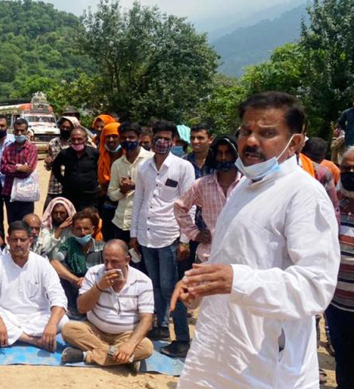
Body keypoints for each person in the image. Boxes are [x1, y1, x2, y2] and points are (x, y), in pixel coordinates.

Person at [174, 92, 340, 388]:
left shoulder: (303, 194)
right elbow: (232, 258)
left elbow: (316, 286)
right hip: (219, 352)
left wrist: (237, 281)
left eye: (267, 133)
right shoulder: (244, 187)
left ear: (296, 143)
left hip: (267, 363)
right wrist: (201, 283)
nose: (251, 141)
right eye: (246, 131)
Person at [129, 120, 195, 358]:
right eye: (159, 137)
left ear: (174, 141)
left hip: (169, 236)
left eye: (167, 138)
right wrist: (134, 234)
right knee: (154, 286)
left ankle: (183, 339)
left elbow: (189, 205)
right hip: (146, 236)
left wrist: (185, 239)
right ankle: (161, 327)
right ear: (152, 137)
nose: (162, 142)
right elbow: (139, 201)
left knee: (170, 288)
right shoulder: (145, 167)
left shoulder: (182, 167)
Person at [60, 240, 154, 373]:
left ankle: (86, 356)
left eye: (114, 262)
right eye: (106, 261)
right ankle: (123, 358)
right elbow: (81, 308)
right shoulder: (94, 273)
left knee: (146, 347)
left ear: (127, 260)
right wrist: (99, 287)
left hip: (125, 335)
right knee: (69, 329)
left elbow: (146, 319)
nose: (109, 266)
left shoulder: (143, 281)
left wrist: (130, 345)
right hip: (95, 330)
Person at [0, 221, 68, 351]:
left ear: (30, 240)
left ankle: (13, 336)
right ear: (8, 240)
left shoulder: (42, 264)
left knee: (63, 321)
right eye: (14, 240)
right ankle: (35, 341)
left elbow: (58, 296)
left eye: (23, 239)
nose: (18, 244)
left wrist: (52, 324)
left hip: (37, 317)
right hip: (7, 316)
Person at [174, 135, 241, 264]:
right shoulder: (202, 185)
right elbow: (179, 207)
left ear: (235, 155)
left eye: (228, 153)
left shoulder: (246, 185)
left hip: (238, 259)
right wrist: (195, 234)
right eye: (219, 153)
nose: (223, 157)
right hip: (208, 256)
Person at [329, 146, 354, 388]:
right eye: (346, 168)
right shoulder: (333, 207)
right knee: (345, 364)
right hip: (338, 307)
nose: (351, 173)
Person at [50, 209, 105, 316]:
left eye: (86, 229)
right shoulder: (68, 245)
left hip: (95, 290)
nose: (82, 233)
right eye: (78, 229)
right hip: (74, 288)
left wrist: (88, 282)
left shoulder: (102, 248)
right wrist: (75, 280)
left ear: (93, 230)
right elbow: (54, 263)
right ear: (72, 230)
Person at [107, 122, 153, 244]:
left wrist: (134, 185)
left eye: (131, 137)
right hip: (121, 222)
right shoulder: (117, 164)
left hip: (143, 224)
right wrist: (122, 190)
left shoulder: (151, 160)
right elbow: (111, 194)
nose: (127, 140)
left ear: (139, 138)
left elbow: (157, 190)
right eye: (123, 137)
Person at [52, 127, 100, 212]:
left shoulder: (94, 153)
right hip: (70, 195)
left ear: (85, 139)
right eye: (73, 139)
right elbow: (55, 168)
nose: (76, 142)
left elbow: (100, 169)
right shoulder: (65, 153)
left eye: (79, 139)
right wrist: (64, 182)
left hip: (90, 196)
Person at [0, 119, 38, 224]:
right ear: (13, 131)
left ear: (27, 131)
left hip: (27, 193)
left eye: (22, 131)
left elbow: (28, 170)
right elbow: (2, 168)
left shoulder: (32, 148)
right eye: (17, 131)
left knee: (27, 223)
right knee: (12, 223)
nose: (19, 133)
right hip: (9, 192)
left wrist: (11, 168)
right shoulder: (8, 149)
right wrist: (17, 168)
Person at [44, 116, 76, 207]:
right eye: (63, 127)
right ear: (59, 127)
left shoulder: (75, 143)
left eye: (68, 128)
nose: (65, 129)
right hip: (54, 185)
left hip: (70, 186)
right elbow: (48, 167)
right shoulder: (52, 143)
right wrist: (48, 164)